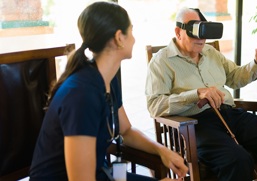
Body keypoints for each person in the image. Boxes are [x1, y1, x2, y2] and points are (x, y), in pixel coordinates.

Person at [29, 2, 188, 181]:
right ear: (119, 37)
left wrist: (163, 151)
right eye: (131, 31)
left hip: (101, 174)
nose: (134, 39)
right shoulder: (81, 95)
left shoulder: (106, 79)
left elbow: (126, 131)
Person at [145, 7, 257, 181]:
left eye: (205, 31)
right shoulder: (161, 61)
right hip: (195, 125)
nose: (201, 38)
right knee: (238, 160)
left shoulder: (211, 52)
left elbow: (235, 78)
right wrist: (195, 94)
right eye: (195, 31)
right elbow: (155, 106)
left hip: (230, 114)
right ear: (178, 31)